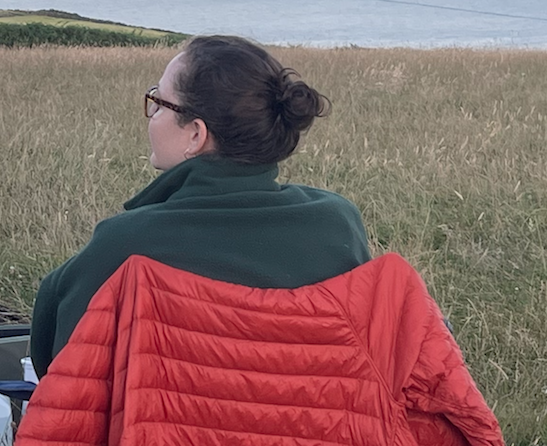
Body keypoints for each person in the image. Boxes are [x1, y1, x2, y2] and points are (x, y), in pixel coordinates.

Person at [28, 34, 371, 375]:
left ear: (196, 134)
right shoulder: (337, 223)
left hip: (161, 429)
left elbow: (59, 365)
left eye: (159, 103)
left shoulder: (127, 243)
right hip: (312, 426)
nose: (152, 115)